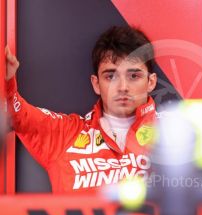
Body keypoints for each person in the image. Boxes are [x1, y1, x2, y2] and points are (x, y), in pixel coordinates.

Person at [5, 26, 158, 193]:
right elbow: (13, 113)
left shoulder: (176, 132)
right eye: (110, 76)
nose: (122, 87)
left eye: (134, 76)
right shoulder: (64, 134)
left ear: (151, 82)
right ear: (96, 84)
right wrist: (5, 81)